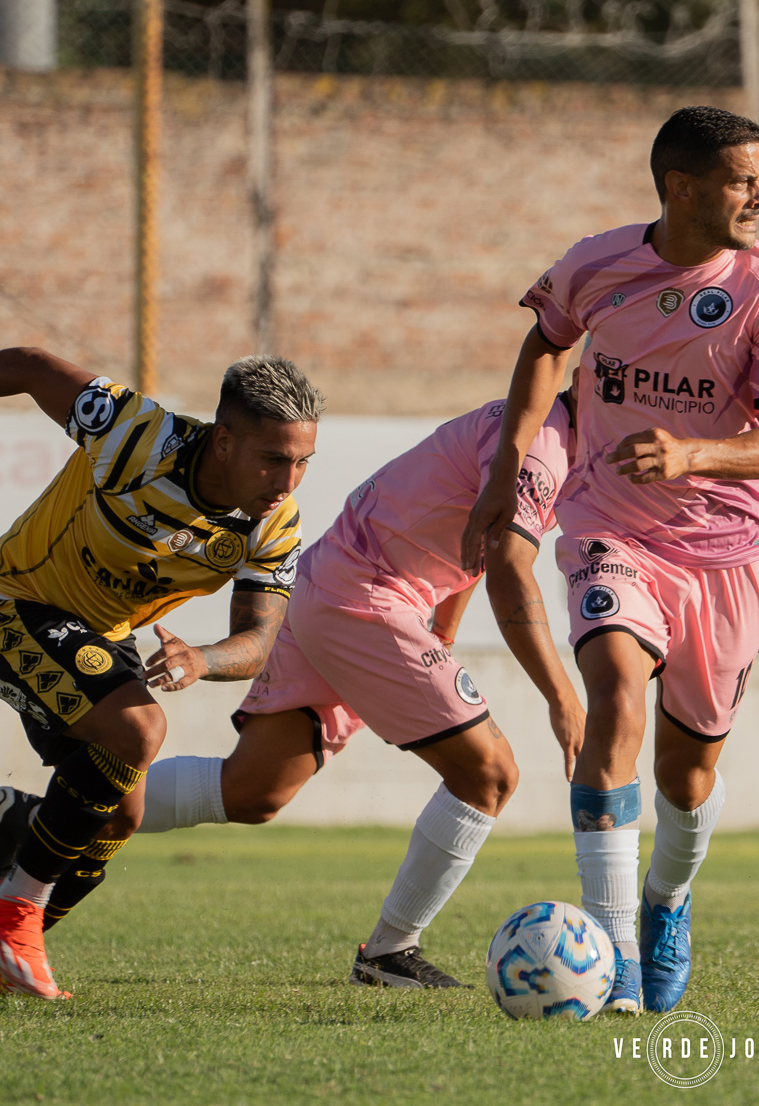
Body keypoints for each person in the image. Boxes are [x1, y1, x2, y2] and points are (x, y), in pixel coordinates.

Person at [462, 106, 759, 1014]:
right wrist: (506, 470)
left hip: (726, 551)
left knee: (686, 776)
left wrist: (692, 452)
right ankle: (615, 948)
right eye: (743, 180)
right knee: (617, 698)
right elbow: (546, 344)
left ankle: (667, 899)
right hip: (610, 526)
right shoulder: (597, 264)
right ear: (682, 188)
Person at [0, 332, 320, 1000]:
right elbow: (30, 366)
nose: (287, 482)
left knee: (120, 816)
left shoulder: (274, 524)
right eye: (273, 460)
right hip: (10, 606)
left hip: (102, 636)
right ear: (225, 441)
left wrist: (202, 659)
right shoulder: (138, 435)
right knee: (140, 730)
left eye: (302, 463)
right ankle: (13, 911)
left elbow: (259, 639)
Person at [123, 392, 586, 989]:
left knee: (253, 790)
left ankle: (48, 818)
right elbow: (507, 565)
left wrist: (442, 630)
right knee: (489, 774)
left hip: (331, 581)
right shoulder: (544, 448)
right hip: (365, 597)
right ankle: (390, 950)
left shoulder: (538, 427)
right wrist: (562, 697)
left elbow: (478, 538)